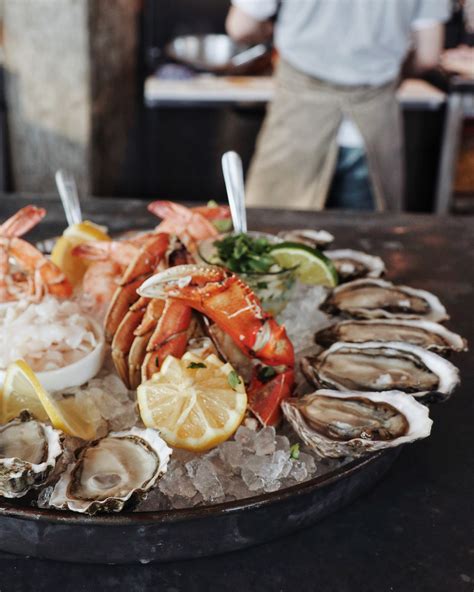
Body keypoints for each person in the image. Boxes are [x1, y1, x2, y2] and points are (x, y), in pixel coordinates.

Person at [226, 0, 451, 211]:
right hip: (373, 123)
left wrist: (270, 29)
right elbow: (428, 55)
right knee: (366, 242)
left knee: (275, 236)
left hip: (299, 121)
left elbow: (241, 26)